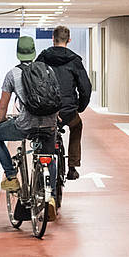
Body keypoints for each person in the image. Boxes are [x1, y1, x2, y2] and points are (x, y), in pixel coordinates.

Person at [0, 35, 59, 219]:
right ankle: (50, 198)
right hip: (49, 124)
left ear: (18, 53)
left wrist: (1, 119)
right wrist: (54, 121)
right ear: (34, 51)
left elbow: (3, 105)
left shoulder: (13, 74)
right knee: (48, 156)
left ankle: (11, 176)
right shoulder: (48, 70)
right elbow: (56, 98)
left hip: (26, 125)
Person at [36, 25, 92, 180]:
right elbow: (85, 87)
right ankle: (72, 167)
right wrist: (80, 106)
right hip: (67, 111)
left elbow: (34, 80)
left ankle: (42, 164)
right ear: (69, 40)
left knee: (43, 131)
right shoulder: (74, 60)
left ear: (52, 39)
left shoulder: (42, 57)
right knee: (77, 125)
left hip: (46, 110)